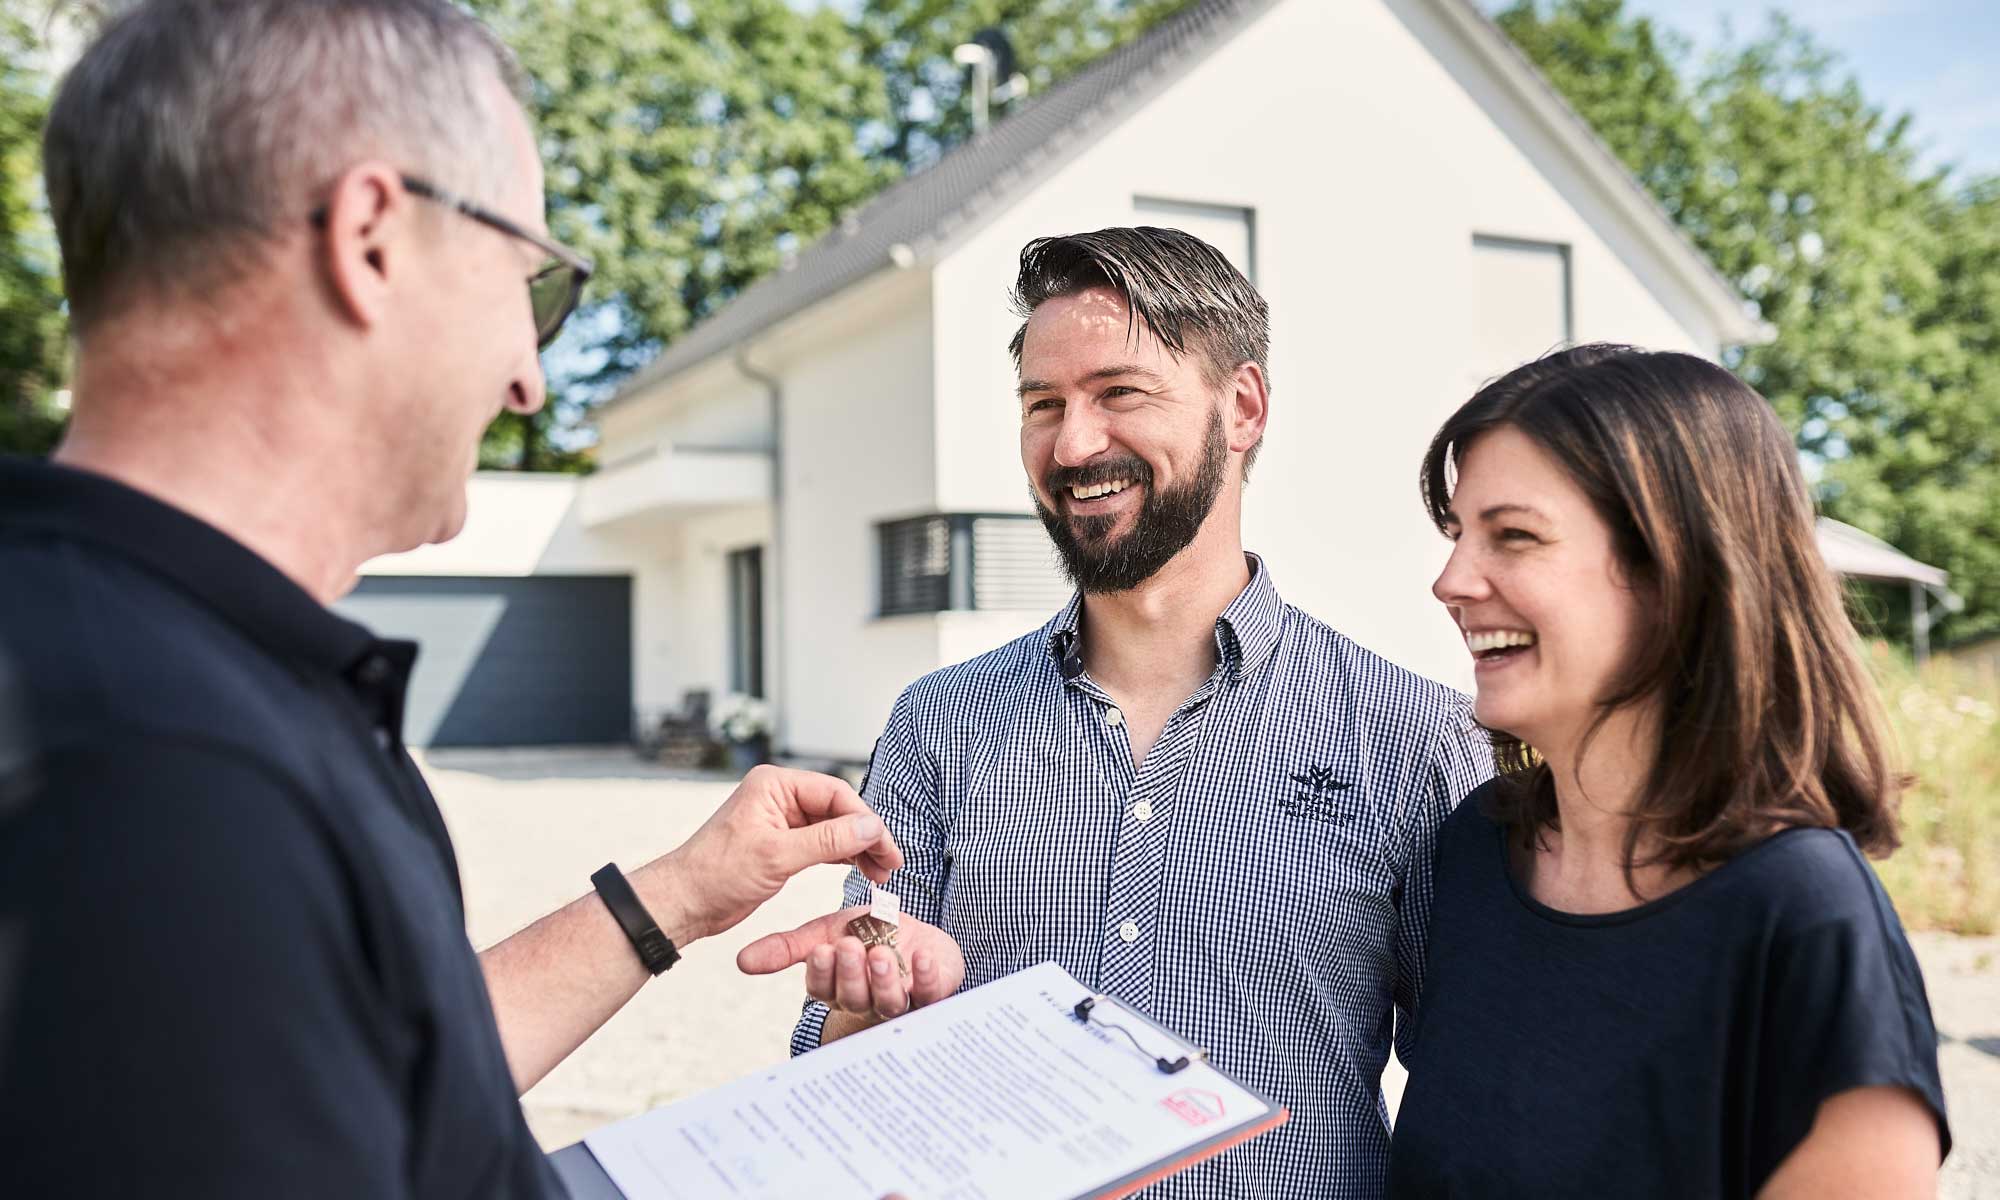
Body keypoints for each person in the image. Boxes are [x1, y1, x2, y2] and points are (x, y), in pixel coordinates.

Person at [0, 2, 899, 1195]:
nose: (529, 380)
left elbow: (369, 1067)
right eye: (532, 287)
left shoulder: (144, 668)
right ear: (371, 236)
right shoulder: (159, 770)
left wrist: (677, 895)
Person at [740, 227, 1493, 1197]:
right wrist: (874, 1000)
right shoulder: (938, 726)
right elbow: (839, 1065)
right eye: (1041, 404)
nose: (1072, 442)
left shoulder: (1412, 740)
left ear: (1242, 408)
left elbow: (1473, 1104)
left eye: (1118, 393)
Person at [1388, 344, 1952, 1197]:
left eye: (1515, 536)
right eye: (1460, 534)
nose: (1451, 580)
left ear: (1675, 568)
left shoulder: (1804, 915)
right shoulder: (1474, 849)